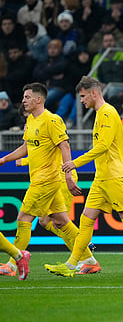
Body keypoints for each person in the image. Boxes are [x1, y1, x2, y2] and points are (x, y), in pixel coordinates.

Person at [45, 76, 123, 278]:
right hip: (102, 177)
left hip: (114, 176)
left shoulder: (107, 112)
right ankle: (72, 265)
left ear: (94, 92)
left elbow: (103, 146)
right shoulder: (101, 113)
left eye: (83, 96)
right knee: (85, 220)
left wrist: (75, 162)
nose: (81, 101)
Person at [0, 82, 99, 278]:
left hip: (47, 179)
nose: (23, 100)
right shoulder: (31, 121)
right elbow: (27, 147)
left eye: (27, 97)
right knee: (61, 221)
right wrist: (4, 159)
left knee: (23, 219)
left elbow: (65, 147)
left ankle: (13, 264)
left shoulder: (52, 120)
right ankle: (89, 261)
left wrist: (69, 175)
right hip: (42, 179)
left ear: (39, 99)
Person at [32, 39, 67, 112]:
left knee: (41, 101)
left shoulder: (63, 61)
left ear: (60, 50)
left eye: (55, 48)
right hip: (44, 88)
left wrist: (46, 72)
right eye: (50, 48)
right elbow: (35, 73)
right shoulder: (44, 61)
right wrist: (52, 75)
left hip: (57, 88)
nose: (52, 50)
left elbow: (58, 68)